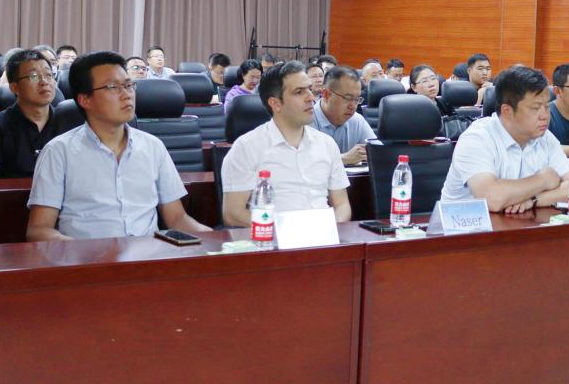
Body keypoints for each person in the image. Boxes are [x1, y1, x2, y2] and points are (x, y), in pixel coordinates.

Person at [26, 51, 210, 241]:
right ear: (85, 99)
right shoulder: (58, 152)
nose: (126, 95)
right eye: (113, 87)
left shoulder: (153, 146)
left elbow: (177, 219)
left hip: (149, 255)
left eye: (129, 85)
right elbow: (39, 230)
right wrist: (85, 253)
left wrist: (219, 242)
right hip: (87, 255)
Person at [221, 61, 351, 225]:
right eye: (299, 92)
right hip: (275, 236)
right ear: (275, 104)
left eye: (309, 89)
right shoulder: (246, 147)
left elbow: (342, 205)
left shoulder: (327, 144)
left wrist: (332, 227)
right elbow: (233, 213)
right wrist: (285, 229)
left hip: (325, 235)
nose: (311, 98)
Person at [441, 66, 569, 214]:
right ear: (507, 111)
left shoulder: (544, 137)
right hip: (465, 224)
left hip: (518, 223)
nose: (545, 115)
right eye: (536, 108)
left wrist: (534, 200)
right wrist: (543, 180)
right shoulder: (477, 138)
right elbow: (492, 199)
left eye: (547, 106)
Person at [0, 49, 58, 179]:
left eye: (48, 75)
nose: (44, 81)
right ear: (14, 87)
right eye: (33, 76)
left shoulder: (67, 123)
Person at [310, 65, 377, 165]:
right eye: (347, 98)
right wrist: (344, 159)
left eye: (357, 99)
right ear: (326, 94)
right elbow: (304, 162)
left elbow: (378, 152)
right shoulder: (306, 121)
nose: (353, 106)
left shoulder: (356, 120)